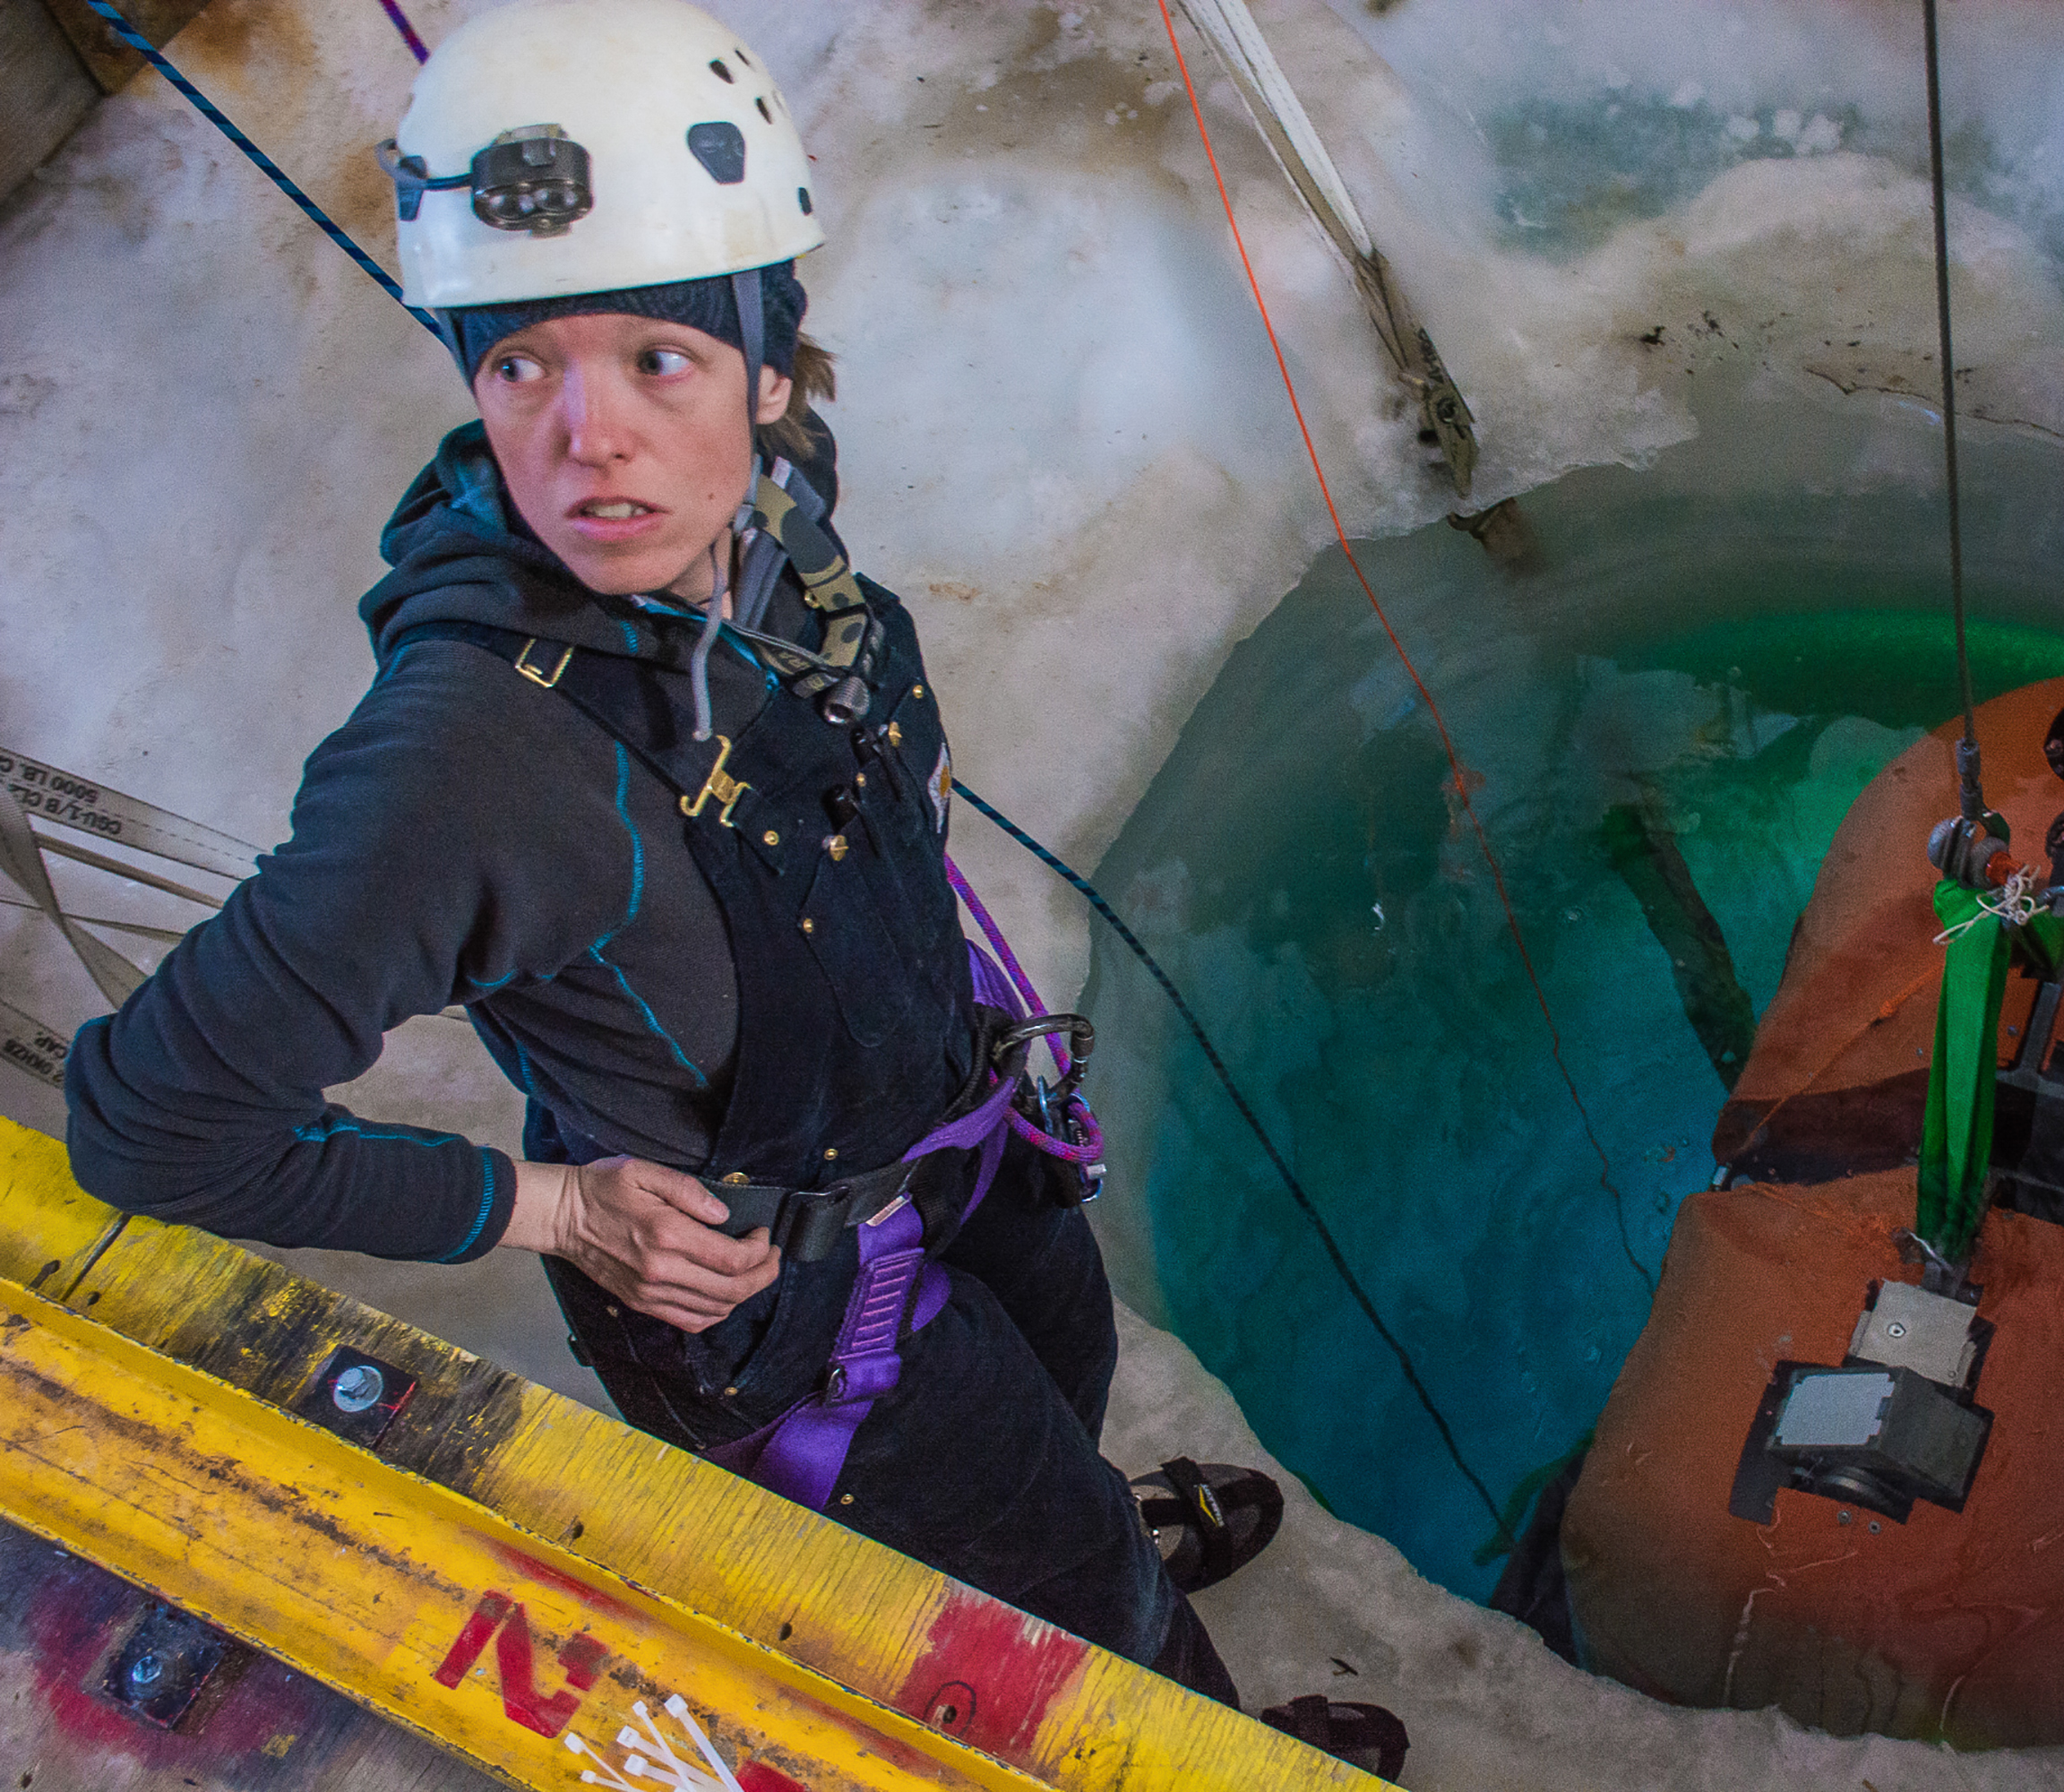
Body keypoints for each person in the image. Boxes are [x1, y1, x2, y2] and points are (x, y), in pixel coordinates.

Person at [57, 0, 1353, 1733]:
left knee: (1065, 1407)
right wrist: (551, 1209)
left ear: (765, 367)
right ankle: (1182, 1717)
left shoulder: (768, 528)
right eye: (521, 365)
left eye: (654, 360)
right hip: (797, 1303)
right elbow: (149, 1121)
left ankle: (1083, 1539)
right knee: (1059, 1596)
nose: (588, 439)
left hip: (962, 1149)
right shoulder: (464, 762)